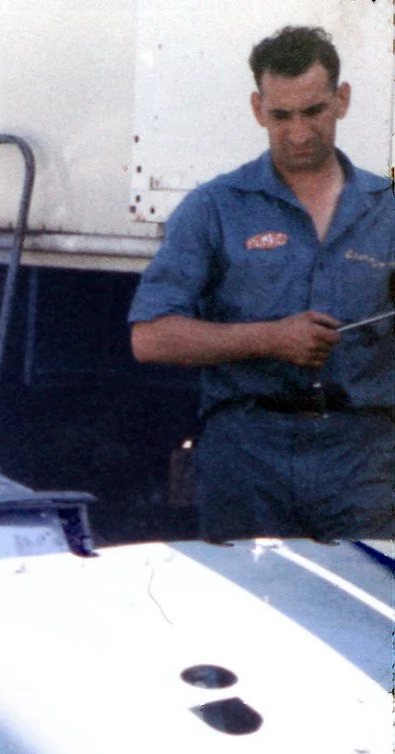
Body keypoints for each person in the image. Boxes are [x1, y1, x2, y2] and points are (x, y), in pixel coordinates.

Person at [128, 25, 394, 542]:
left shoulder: (387, 207)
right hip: (249, 454)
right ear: (257, 109)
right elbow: (150, 337)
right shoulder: (215, 207)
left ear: (342, 101)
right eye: (281, 116)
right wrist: (270, 338)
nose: (298, 132)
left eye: (313, 111)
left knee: (368, 611)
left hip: (364, 457)